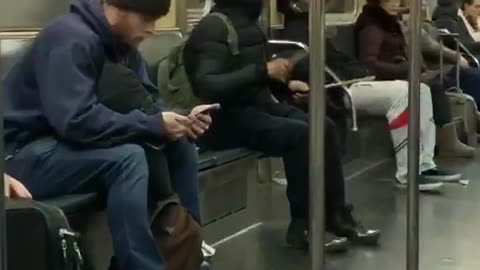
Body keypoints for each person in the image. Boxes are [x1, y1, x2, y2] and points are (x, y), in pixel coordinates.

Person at [3, 0, 213, 270]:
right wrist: (154, 125)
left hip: (61, 146)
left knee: (180, 145)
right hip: (20, 154)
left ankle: (188, 249)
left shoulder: (122, 47)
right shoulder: (69, 38)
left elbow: (149, 102)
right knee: (128, 158)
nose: (151, 29)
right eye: (146, 18)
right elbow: (75, 120)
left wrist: (181, 119)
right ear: (117, 8)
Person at [183, 0, 381, 252]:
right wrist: (265, 71)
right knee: (300, 135)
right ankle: (303, 225)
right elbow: (208, 85)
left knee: (325, 127)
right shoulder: (213, 28)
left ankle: (337, 215)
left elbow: (256, 78)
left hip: (256, 105)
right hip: (221, 118)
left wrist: (285, 86)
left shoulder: (250, 26)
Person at [277, 0, 459, 191]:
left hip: (347, 82)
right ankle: (408, 172)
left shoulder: (311, 27)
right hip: (337, 89)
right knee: (405, 93)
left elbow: (337, 61)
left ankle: (425, 165)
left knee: (422, 89)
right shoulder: (298, 31)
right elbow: (312, 68)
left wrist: (357, 71)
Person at [355, 0, 475, 160]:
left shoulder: (392, 24)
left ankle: (438, 146)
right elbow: (370, 63)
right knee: (430, 85)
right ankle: (438, 147)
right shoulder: (373, 27)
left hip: (403, 70)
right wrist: (407, 68)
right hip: (387, 77)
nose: (394, 4)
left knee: (433, 82)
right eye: (388, 1)